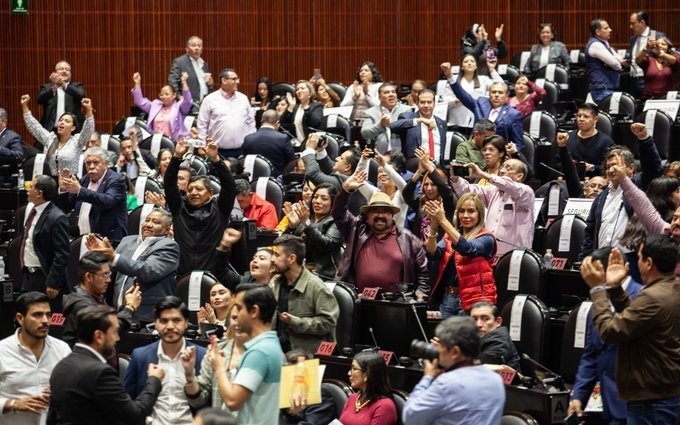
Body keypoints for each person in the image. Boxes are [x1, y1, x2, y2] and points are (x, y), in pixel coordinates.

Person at [580, 236, 680, 424]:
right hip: (666, 396)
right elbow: (638, 320)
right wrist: (614, 288)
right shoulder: (672, 288)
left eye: (639, 257)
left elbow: (609, 332)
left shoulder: (651, 297)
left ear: (649, 263)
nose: (637, 263)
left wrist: (598, 290)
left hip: (651, 403)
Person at [48, 305, 165, 425]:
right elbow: (134, 416)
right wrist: (154, 380)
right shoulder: (100, 373)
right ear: (99, 336)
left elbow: (51, 419)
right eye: (114, 332)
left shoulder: (61, 366)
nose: (118, 338)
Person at [568, 247, 642, 424]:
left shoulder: (642, 298)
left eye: (594, 274)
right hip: (607, 406)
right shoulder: (597, 303)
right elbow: (591, 354)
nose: (590, 280)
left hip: (637, 406)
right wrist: (578, 396)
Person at [333, 172, 429, 296]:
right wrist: (345, 190)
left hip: (396, 303)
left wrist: (421, 295)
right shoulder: (356, 230)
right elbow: (338, 213)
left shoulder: (410, 240)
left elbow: (423, 274)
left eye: (385, 211)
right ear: (367, 216)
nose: (380, 215)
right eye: (375, 211)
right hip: (359, 301)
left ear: (392, 215)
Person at [580, 124, 663, 259]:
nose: (610, 170)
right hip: (602, 259)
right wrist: (585, 258)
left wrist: (644, 140)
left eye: (615, 165)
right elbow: (590, 230)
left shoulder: (639, 186)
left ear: (631, 168)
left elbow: (653, 168)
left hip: (632, 259)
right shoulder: (601, 197)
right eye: (608, 166)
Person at [402, 316, 505, 425]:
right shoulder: (496, 379)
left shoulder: (446, 384)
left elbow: (410, 417)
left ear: (455, 352)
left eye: (441, 346)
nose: (438, 351)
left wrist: (427, 378)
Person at [208, 283, 285, 424]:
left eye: (239, 308)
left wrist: (219, 367)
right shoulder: (269, 345)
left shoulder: (260, 352)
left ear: (254, 311)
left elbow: (232, 401)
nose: (235, 314)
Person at [85, 208, 180, 323]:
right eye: (147, 220)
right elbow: (111, 268)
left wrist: (113, 256)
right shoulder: (127, 241)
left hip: (147, 315)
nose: (149, 224)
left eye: (156, 222)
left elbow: (148, 271)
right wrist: (99, 255)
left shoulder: (169, 246)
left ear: (167, 230)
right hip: (118, 309)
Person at [124, 296, 206, 425]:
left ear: (186, 323)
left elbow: (209, 404)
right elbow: (128, 403)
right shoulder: (140, 356)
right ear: (156, 323)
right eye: (164, 321)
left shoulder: (202, 355)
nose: (170, 326)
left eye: (176, 320)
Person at [165, 138, 235, 275]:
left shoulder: (220, 209)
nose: (193, 193)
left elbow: (229, 186)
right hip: (183, 274)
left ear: (210, 193)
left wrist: (216, 160)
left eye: (199, 189)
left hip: (213, 275)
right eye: (190, 189)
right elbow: (169, 184)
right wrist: (177, 157)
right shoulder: (179, 208)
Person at [0, 292, 70, 425]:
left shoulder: (62, 349)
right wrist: (13, 404)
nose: (45, 321)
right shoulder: (2, 351)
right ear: (20, 318)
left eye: (48, 315)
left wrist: (60, 394)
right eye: (37, 315)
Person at [424, 193, 497, 317]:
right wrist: (433, 227)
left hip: (475, 301)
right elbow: (433, 254)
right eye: (462, 211)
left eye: (471, 211)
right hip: (448, 299)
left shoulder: (487, 238)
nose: (465, 215)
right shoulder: (449, 236)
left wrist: (442, 219)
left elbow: (466, 248)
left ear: (480, 214)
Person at [270, 234, 339, 355]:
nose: (272, 259)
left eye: (277, 255)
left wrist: (295, 322)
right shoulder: (277, 283)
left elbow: (328, 322)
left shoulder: (317, 287)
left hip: (305, 357)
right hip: (278, 352)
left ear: (291, 258)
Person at [450, 159, 535, 256]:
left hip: (516, 255)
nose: (502, 170)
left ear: (519, 176)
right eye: (502, 166)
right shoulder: (493, 191)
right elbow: (467, 190)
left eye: (508, 168)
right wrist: (456, 178)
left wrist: (481, 174)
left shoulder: (526, 192)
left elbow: (511, 187)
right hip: (490, 254)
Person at [61, 251, 142, 346]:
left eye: (109, 274)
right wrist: (130, 307)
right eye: (104, 275)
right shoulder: (82, 305)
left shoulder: (95, 298)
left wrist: (125, 304)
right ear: (88, 277)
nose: (109, 280)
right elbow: (109, 330)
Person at [443, 63, 524, 150]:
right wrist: (450, 76)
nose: (496, 95)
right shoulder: (481, 104)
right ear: (489, 94)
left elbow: (519, 143)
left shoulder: (513, 114)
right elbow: (463, 96)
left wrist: (512, 150)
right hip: (476, 150)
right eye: (493, 92)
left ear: (507, 96)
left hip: (499, 153)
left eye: (500, 92)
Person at [186, 301, 248, 416]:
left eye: (244, 317)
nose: (239, 323)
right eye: (234, 318)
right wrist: (190, 377)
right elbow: (197, 400)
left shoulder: (267, 352)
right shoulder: (216, 351)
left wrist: (220, 369)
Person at [14, 176, 70, 300]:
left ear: (39, 193)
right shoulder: (33, 211)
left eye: (31, 187)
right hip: (28, 276)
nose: (27, 190)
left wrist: (53, 282)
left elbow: (62, 254)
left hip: (44, 278)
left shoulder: (57, 217)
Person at [55, 147, 128, 243]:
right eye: (88, 163)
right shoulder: (85, 179)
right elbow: (67, 206)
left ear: (106, 164)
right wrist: (64, 189)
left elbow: (107, 201)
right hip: (81, 237)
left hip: (108, 239)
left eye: (96, 162)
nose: (91, 166)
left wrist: (80, 190)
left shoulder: (116, 180)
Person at [21, 94, 94, 177]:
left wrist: (88, 110)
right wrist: (24, 106)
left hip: (69, 181)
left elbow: (88, 130)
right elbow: (34, 127)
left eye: (67, 121)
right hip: (52, 181)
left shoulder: (77, 141)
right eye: (61, 120)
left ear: (73, 128)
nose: (62, 122)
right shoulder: (50, 139)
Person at [283, 183, 344, 280]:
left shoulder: (336, 222)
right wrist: (291, 228)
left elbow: (326, 245)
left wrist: (307, 224)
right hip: (297, 270)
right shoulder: (306, 219)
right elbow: (283, 246)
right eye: (315, 197)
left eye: (324, 198)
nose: (317, 201)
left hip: (323, 275)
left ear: (333, 202)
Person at [197, 68, 255, 158]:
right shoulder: (210, 100)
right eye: (234, 79)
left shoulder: (243, 98)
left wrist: (251, 142)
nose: (238, 82)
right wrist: (201, 145)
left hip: (242, 150)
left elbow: (251, 122)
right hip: (217, 151)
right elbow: (202, 124)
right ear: (223, 80)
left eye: (237, 79)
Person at [439, 54, 503, 130]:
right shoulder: (453, 79)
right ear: (462, 67)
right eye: (466, 62)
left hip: (478, 123)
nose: (469, 63)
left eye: (472, 61)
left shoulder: (483, 80)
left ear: (476, 66)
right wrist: (455, 101)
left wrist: (492, 69)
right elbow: (443, 99)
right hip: (457, 122)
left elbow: (501, 86)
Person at [392, 90, 449, 169]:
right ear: (417, 103)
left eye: (429, 102)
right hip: (415, 168)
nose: (426, 105)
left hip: (438, 169)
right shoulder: (407, 117)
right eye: (422, 102)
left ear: (434, 103)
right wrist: (420, 120)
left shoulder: (442, 123)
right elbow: (392, 127)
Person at [338, 350, 397, 425]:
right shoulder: (353, 398)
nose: (349, 373)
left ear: (367, 375)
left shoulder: (385, 406)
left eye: (354, 369)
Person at [555, 103, 614, 177]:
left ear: (595, 119)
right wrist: (568, 164)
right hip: (569, 180)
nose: (581, 119)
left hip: (595, 180)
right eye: (579, 116)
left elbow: (610, 167)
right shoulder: (567, 138)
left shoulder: (606, 142)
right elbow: (556, 164)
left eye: (586, 116)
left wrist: (592, 167)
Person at [132, 71, 193, 140]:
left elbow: (188, 101)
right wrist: (137, 83)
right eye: (161, 94)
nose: (163, 97)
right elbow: (140, 102)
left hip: (175, 141)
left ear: (174, 95)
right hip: (156, 141)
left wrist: (184, 82)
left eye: (166, 94)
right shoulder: (155, 105)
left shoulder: (179, 107)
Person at [361, 82, 412, 154]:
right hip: (379, 154)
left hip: (402, 154)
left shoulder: (406, 110)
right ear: (379, 97)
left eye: (393, 92)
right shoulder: (370, 113)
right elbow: (365, 134)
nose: (391, 94)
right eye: (387, 92)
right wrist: (381, 125)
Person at [242, 109, 295, 177]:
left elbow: (245, 160)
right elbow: (291, 161)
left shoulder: (248, 139)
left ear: (262, 121)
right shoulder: (283, 138)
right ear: (277, 123)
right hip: (277, 179)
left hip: (254, 178)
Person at [469, 301, 520, 370]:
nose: (478, 324)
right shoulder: (476, 337)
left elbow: (475, 369)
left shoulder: (499, 342)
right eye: (474, 319)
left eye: (485, 319)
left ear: (498, 322)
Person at [36, 61, 86, 132]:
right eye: (61, 69)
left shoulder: (77, 86)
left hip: (73, 131)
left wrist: (63, 84)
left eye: (67, 69)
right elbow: (39, 100)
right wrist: (54, 88)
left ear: (70, 73)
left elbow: (81, 96)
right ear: (55, 73)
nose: (64, 71)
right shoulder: (47, 87)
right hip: (50, 130)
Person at [586, 19, 626, 102]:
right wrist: (616, 63)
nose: (610, 30)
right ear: (598, 32)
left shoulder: (605, 43)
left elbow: (621, 60)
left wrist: (614, 61)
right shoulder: (595, 45)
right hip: (602, 90)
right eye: (606, 28)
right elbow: (616, 64)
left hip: (608, 89)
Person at [628, 11, 666, 97]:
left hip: (648, 79)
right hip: (633, 79)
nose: (631, 27)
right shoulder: (633, 39)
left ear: (642, 22)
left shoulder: (654, 36)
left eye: (633, 24)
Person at [168, 35, 213, 107]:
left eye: (199, 46)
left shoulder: (204, 64)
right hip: (188, 104)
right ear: (187, 49)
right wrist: (179, 96)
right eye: (193, 45)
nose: (197, 48)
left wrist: (210, 84)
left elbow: (207, 84)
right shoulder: (180, 62)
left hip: (204, 104)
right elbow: (172, 82)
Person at [340, 61, 384, 126]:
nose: (363, 72)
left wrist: (367, 93)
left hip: (372, 122)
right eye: (361, 71)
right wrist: (354, 98)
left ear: (373, 73)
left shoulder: (379, 86)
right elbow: (342, 106)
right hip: (354, 123)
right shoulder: (353, 87)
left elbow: (378, 106)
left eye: (366, 70)